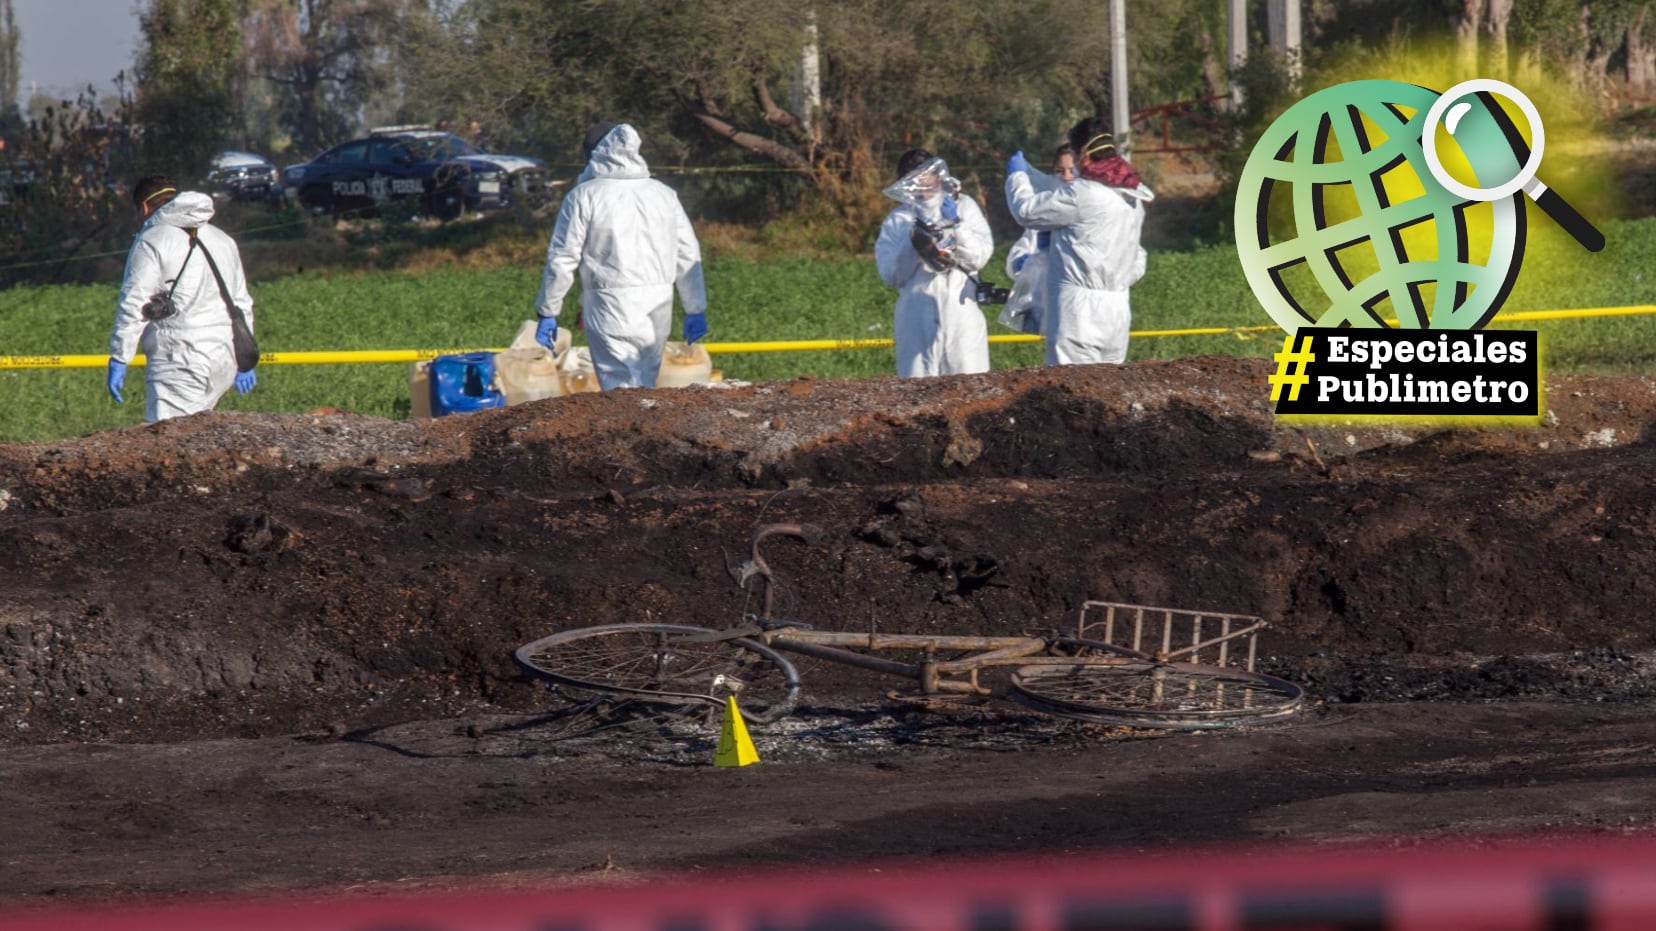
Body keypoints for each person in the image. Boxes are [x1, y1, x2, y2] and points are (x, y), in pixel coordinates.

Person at [532, 122, 708, 390]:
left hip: (608, 305)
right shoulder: (664, 194)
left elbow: (562, 259)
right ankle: (647, 431)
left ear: (595, 154)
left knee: (618, 390)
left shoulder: (583, 196)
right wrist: (695, 307)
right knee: (645, 383)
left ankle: (634, 433)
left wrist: (548, 309)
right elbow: (687, 254)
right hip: (658, 306)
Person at [107, 175, 257, 422]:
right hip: (224, 358)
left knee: (168, 445)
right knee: (196, 442)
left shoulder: (153, 240)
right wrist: (245, 359)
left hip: (180, 358)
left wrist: (120, 355)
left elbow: (134, 302)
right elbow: (240, 301)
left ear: (144, 207)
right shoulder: (222, 239)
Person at [1005, 117, 1153, 365]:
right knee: (1111, 395)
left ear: (1083, 154)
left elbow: (1026, 211)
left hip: (1078, 315)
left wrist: (1017, 176)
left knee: (1071, 395)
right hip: (1117, 312)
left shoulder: (1082, 193)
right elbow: (1136, 261)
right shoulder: (1132, 199)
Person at [873, 148, 992, 377]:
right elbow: (892, 275)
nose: (921, 183)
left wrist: (956, 223)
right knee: (918, 389)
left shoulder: (964, 206)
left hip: (960, 310)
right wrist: (914, 241)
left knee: (968, 385)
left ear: (938, 175)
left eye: (925, 174)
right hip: (916, 314)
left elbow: (979, 256)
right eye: (912, 178)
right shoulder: (898, 220)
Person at [1000, 145, 1076, 335]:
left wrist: (1017, 177)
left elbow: (1024, 211)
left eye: (1072, 170)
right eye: (1059, 171)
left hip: (1081, 303)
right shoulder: (1048, 209)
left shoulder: (1090, 207)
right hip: (1051, 306)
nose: (1066, 177)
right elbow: (1024, 246)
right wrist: (1021, 262)